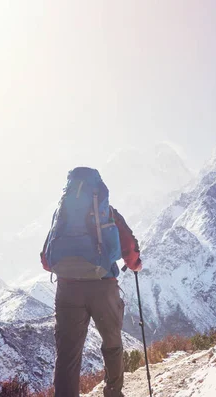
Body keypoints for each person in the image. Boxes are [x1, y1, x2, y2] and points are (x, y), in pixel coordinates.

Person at [40, 167, 142, 397]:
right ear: (98, 191)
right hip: (102, 286)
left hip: (67, 289)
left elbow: (47, 260)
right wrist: (135, 264)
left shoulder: (61, 213)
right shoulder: (108, 212)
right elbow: (129, 249)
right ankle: (113, 393)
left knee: (67, 353)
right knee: (112, 342)